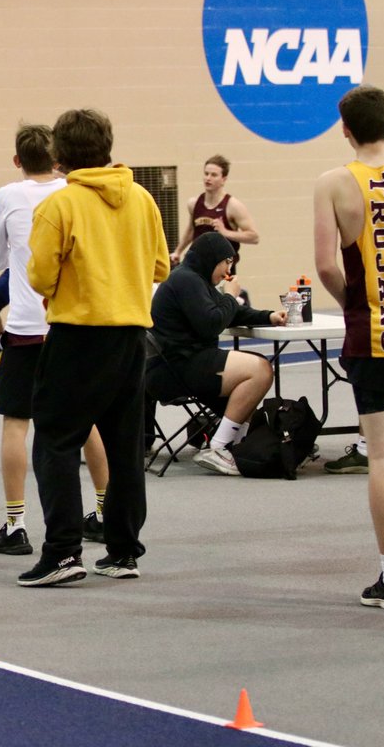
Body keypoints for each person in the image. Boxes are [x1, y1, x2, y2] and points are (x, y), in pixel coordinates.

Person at [20, 108, 169, 587]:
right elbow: (161, 268)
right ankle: (123, 550)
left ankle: (63, 552)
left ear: (59, 155)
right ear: (107, 145)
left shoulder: (59, 206)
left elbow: (40, 274)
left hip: (79, 337)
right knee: (125, 448)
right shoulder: (143, 199)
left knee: (57, 443)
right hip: (132, 338)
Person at [0, 123, 110, 556]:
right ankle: (104, 511)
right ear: (57, 159)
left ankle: (16, 525)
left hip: (24, 326)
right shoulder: (73, 192)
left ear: (17, 161)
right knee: (85, 419)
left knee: (16, 423)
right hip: (71, 322)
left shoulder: (8, 195)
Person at [312, 83, 384, 609]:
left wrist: (353, 307)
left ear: (346, 129)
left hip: (374, 334)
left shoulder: (334, 183)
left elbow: (324, 265)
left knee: (383, 456)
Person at [148, 232, 286, 476]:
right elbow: (212, 322)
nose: (228, 270)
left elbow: (230, 313)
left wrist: (268, 316)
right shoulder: (186, 281)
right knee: (260, 370)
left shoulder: (195, 279)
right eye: (227, 262)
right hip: (176, 369)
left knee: (255, 373)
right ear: (213, 259)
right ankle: (219, 447)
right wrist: (230, 295)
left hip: (181, 364)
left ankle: (237, 445)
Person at [169, 155, 260, 301]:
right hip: (198, 270)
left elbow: (254, 236)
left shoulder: (232, 206)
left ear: (223, 179)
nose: (208, 178)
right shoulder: (194, 203)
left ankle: (241, 298)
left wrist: (225, 232)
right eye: (206, 174)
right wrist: (178, 251)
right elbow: (191, 229)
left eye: (213, 175)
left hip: (222, 270)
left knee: (223, 307)